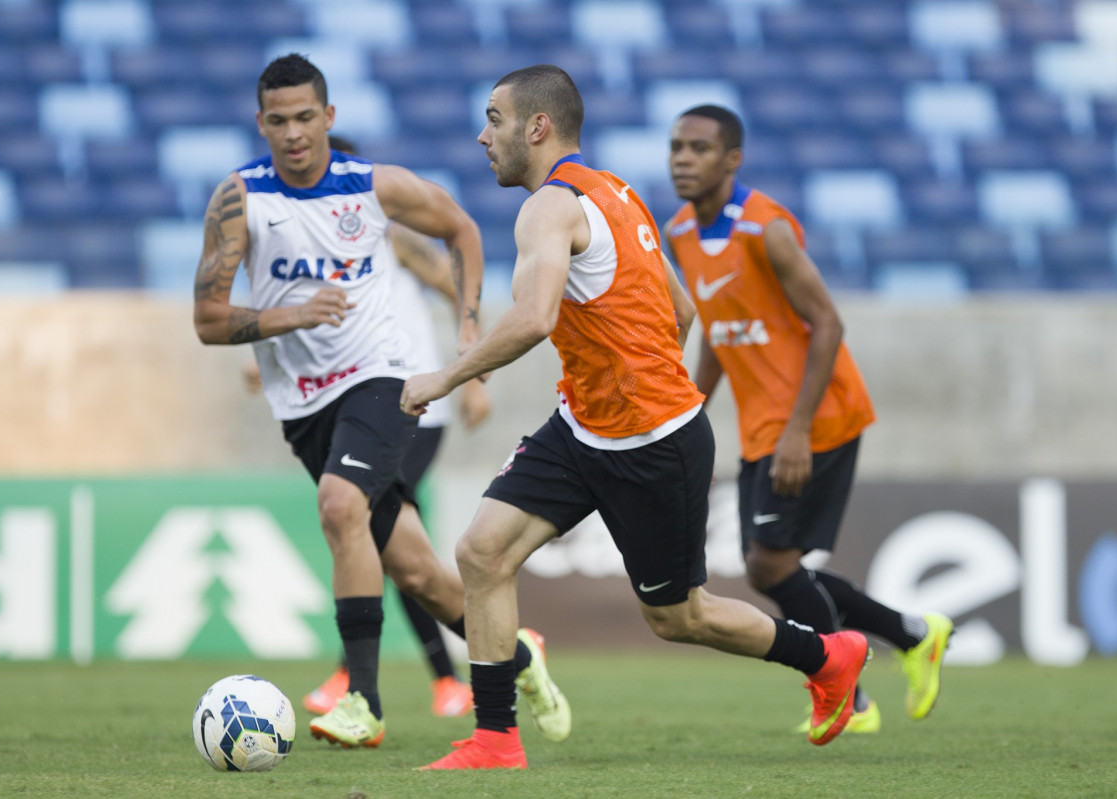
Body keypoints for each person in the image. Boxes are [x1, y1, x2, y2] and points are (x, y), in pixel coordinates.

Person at [401, 64, 870, 771]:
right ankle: (494, 739)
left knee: (679, 616)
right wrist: (620, 378)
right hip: (587, 426)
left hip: (653, 442)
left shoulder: (549, 208)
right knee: (481, 552)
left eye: (493, 119)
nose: (482, 134)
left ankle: (830, 654)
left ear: (538, 126)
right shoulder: (617, 192)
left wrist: (445, 375)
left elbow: (533, 319)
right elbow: (681, 311)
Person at [193, 53, 561, 750]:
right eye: (279, 121)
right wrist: (290, 316)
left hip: (381, 377)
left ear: (328, 117)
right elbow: (209, 319)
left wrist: (470, 323)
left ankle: (363, 700)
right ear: (261, 124)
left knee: (340, 503)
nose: (295, 132)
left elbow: (462, 230)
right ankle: (519, 656)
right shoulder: (239, 200)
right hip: (302, 404)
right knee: (416, 569)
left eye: (307, 117)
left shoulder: (376, 188)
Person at [663, 104, 954, 733]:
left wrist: (797, 431)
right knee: (775, 566)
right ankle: (911, 636)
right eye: (676, 147)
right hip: (766, 423)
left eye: (699, 148)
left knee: (769, 566)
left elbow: (828, 322)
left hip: (816, 417)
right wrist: (685, 414)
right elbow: (718, 329)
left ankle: (852, 699)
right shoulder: (680, 231)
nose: (682, 159)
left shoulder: (765, 228)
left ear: (731, 159)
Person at [290, 136, 491, 720]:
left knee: (376, 529)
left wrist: (471, 374)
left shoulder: (387, 234)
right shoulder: (304, 251)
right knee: (396, 544)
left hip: (417, 404)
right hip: (363, 406)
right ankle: (467, 671)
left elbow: (454, 283)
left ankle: (367, 677)